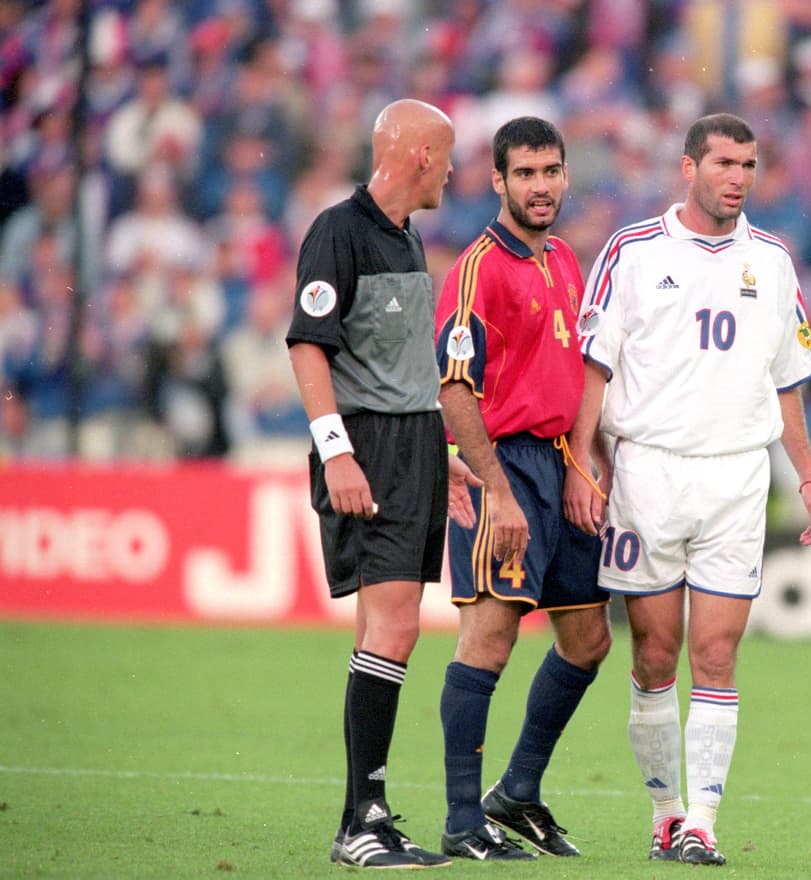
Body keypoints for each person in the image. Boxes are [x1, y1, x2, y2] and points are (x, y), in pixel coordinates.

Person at [564, 113, 811, 866]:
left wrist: (808, 475)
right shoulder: (634, 251)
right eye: (723, 163)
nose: (737, 177)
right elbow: (595, 366)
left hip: (737, 476)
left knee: (716, 654)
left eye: (748, 164)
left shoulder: (773, 260)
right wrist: (583, 463)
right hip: (648, 471)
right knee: (655, 654)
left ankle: (703, 824)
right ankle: (665, 812)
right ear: (688, 168)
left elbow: (786, 382)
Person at [286, 98, 478, 870]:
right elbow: (308, 346)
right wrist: (336, 452)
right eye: (448, 155)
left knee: (384, 628)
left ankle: (365, 819)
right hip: (369, 447)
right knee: (393, 630)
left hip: (414, 444)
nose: (453, 170)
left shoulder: (407, 236)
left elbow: (396, 359)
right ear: (422, 155)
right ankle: (360, 822)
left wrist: (439, 448)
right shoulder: (339, 231)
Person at [433, 116, 612, 861]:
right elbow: (455, 390)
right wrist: (498, 492)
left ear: (566, 175)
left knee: (589, 638)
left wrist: (586, 463)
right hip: (503, 467)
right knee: (491, 638)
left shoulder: (564, 259)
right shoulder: (477, 269)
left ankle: (518, 791)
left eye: (551, 172)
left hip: (561, 465)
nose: (541, 187)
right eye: (526, 174)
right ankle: (462, 820)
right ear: (498, 181)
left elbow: (572, 374)